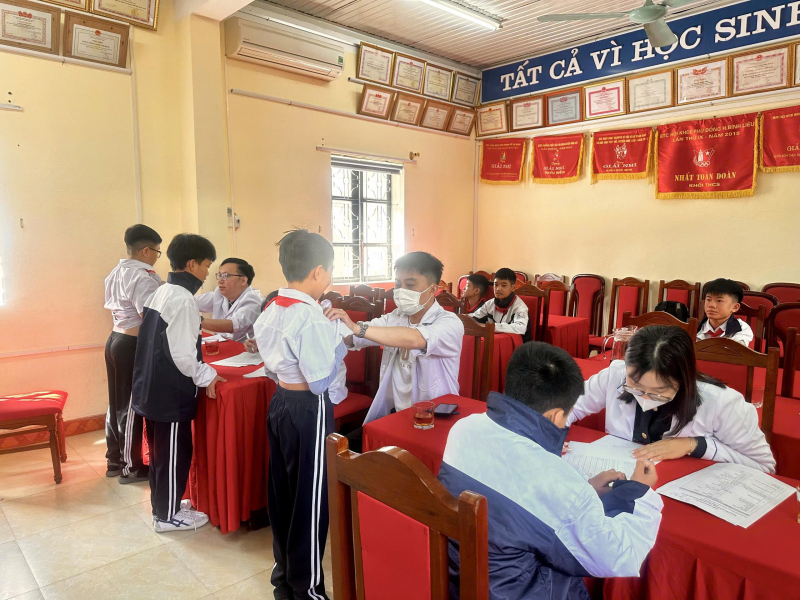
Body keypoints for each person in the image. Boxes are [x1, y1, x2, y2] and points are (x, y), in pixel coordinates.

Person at [438, 342, 662, 599]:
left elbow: (516, 490)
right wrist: (638, 492)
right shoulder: (556, 482)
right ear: (556, 415)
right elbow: (619, 557)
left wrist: (584, 490)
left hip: (458, 579)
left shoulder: (464, 428)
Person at [253, 230, 347, 600]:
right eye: (331, 271)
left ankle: (284, 578)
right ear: (319, 271)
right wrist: (337, 341)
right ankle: (307, 589)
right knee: (311, 499)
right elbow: (321, 381)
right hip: (310, 408)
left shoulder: (272, 307)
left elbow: (271, 368)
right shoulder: (312, 317)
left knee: (284, 492)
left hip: (280, 402)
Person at [568, 326, 775, 473]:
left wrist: (694, 445)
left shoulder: (723, 403)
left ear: (684, 379)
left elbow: (764, 466)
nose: (645, 397)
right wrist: (551, 431)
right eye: (635, 386)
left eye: (659, 391)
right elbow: (568, 405)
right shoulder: (615, 375)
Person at [132, 233, 225, 532]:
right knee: (173, 453)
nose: (208, 273)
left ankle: (164, 505)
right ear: (192, 263)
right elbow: (184, 356)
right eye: (207, 265)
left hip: (151, 388)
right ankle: (167, 515)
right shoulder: (183, 299)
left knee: (162, 454)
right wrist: (208, 375)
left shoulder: (163, 291)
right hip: (170, 394)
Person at [324, 251, 464, 429]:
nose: (401, 291)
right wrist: (330, 330)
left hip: (434, 416)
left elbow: (416, 339)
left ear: (432, 290)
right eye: (398, 284)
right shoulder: (396, 316)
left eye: (410, 285)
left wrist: (357, 328)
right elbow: (357, 336)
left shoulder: (450, 322)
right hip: (396, 414)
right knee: (348, 444)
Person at [103, 224, 163, 482]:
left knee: (116, 402)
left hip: (115, 339)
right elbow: (149, 316)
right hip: (131, 344)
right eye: (157, 252)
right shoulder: (142, 275)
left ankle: (114, 460)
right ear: (146, 250)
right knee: (130, 406)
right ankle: (131, 467)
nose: (157, 257)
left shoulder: (116, 272)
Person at [196, 258, 264, 342]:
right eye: (219, 275)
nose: (220, 281)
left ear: (243, 280)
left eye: (225, 276)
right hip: (221, 344)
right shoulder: (219, 294)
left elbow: (232, 325)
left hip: (243, 348)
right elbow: (191, 302)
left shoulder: (254, 301)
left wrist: (196, 320)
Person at [468, 267, 530, 339]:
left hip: (517, 344)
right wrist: (462, 318)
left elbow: (520, 328)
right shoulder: (490, 304)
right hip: (494, 341)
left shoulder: (520, 307)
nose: (498, 289)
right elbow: (475, 317)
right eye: (496, 285)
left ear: (513, 288)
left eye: (504, 285)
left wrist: (493, 327)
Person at [696, 278, 753, 346]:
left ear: (735, 307)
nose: (711, 305)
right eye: (708, 299)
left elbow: (734, 351)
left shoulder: (741, 328)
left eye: (719, 301)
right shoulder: (694, 327)